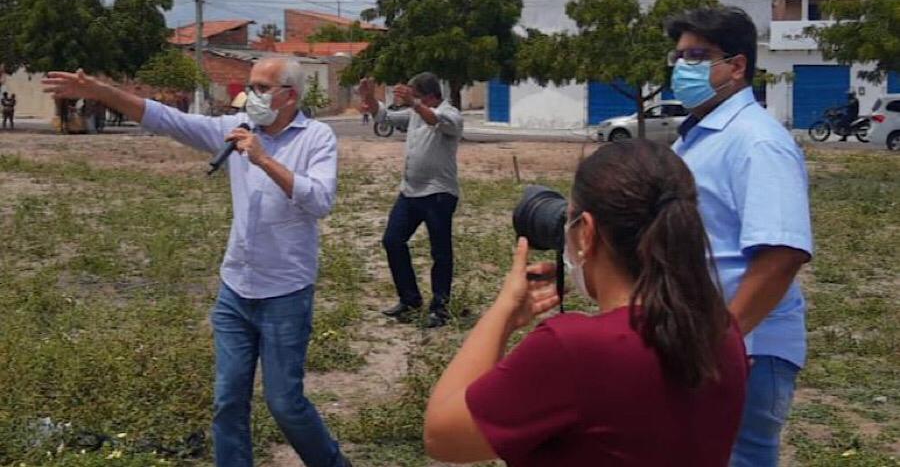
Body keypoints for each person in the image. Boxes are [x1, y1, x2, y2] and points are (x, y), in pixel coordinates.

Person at [42, 59, 352, 467]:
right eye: (251, 87)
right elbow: (167, 118)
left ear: (290, 95)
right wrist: (102, 91)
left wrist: (263, 160)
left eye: (262, 88)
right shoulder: (238, 128)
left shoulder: (317, 137)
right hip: (236, 289)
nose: (250, 96)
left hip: (285, 294)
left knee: (285, 403)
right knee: (228, 401)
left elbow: (321, 201)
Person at [424, 140, 748, 466]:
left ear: (586, 232)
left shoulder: (574, 349)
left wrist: (504, 312)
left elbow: (442, 436)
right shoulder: (722, 332)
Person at [666, 7, 813, 467]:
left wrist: (719, 343)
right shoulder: (696, 138)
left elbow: (782, 254)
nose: (681, 67)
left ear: (737, 65)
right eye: (677, 56)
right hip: (709, 344)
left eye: (696, 56)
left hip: (746, 350)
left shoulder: (756, 142)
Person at [358, 73, 463, 328]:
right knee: (392, 240)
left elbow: (436, 120)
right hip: (410, 192)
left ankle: (440, 308)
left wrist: (415, 104)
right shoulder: (415, 113)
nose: (409, 99)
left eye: (414, 94)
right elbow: (384, 117)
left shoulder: (451, 114)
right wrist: (370, 98)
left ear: (428, 95)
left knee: (440, 252)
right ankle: (410, 299)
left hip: (438, 194)